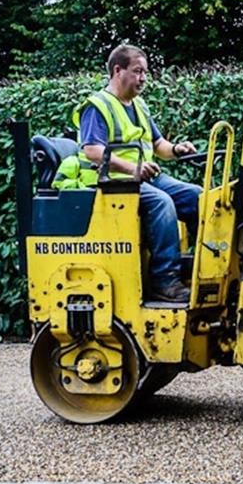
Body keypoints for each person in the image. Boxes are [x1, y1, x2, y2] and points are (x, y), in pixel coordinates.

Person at [73, 44, 200, 303]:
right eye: (137, 71)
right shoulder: (97, 106)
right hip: (113, 182)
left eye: (145, 72)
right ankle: (165, 281)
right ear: (117, 71)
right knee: (162, 203)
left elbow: (158, 146)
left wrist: (177, 149)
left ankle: (200, 268)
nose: (143, 78)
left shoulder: (139, 106)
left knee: (199, 197)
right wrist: (133, 168)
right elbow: (93, 152)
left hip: (144, 177)